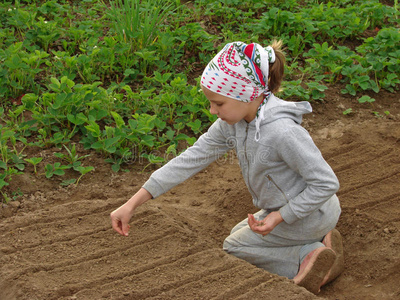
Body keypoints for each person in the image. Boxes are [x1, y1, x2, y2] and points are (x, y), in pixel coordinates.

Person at [110, 41, 344, 294]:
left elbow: (327, 184)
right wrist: (132, 203)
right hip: (297, 210)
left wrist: (279, 216)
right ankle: (317, 242)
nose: (213, 111)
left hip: (310, 213)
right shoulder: (232, 124)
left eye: (219, 103)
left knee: (234, 247)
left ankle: (309, 257)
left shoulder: (283, 132)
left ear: (248, 94)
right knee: (239, 231)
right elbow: (190, 159)